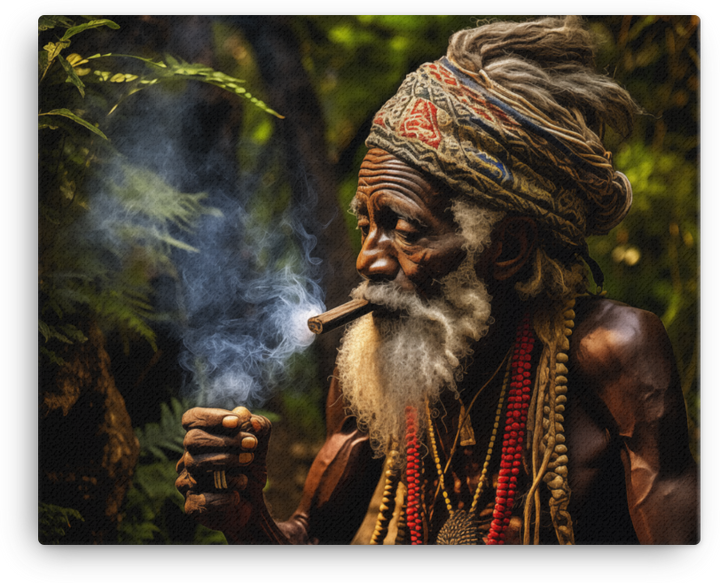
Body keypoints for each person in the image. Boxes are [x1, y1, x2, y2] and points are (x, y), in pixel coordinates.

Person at [175, 16, 698, 545]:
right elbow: (310, 543)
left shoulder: (612, 356)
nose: (367, 261)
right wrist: (246, 517)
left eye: (403, 229)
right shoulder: (371, 377)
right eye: (365, 226)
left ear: (508, 247)